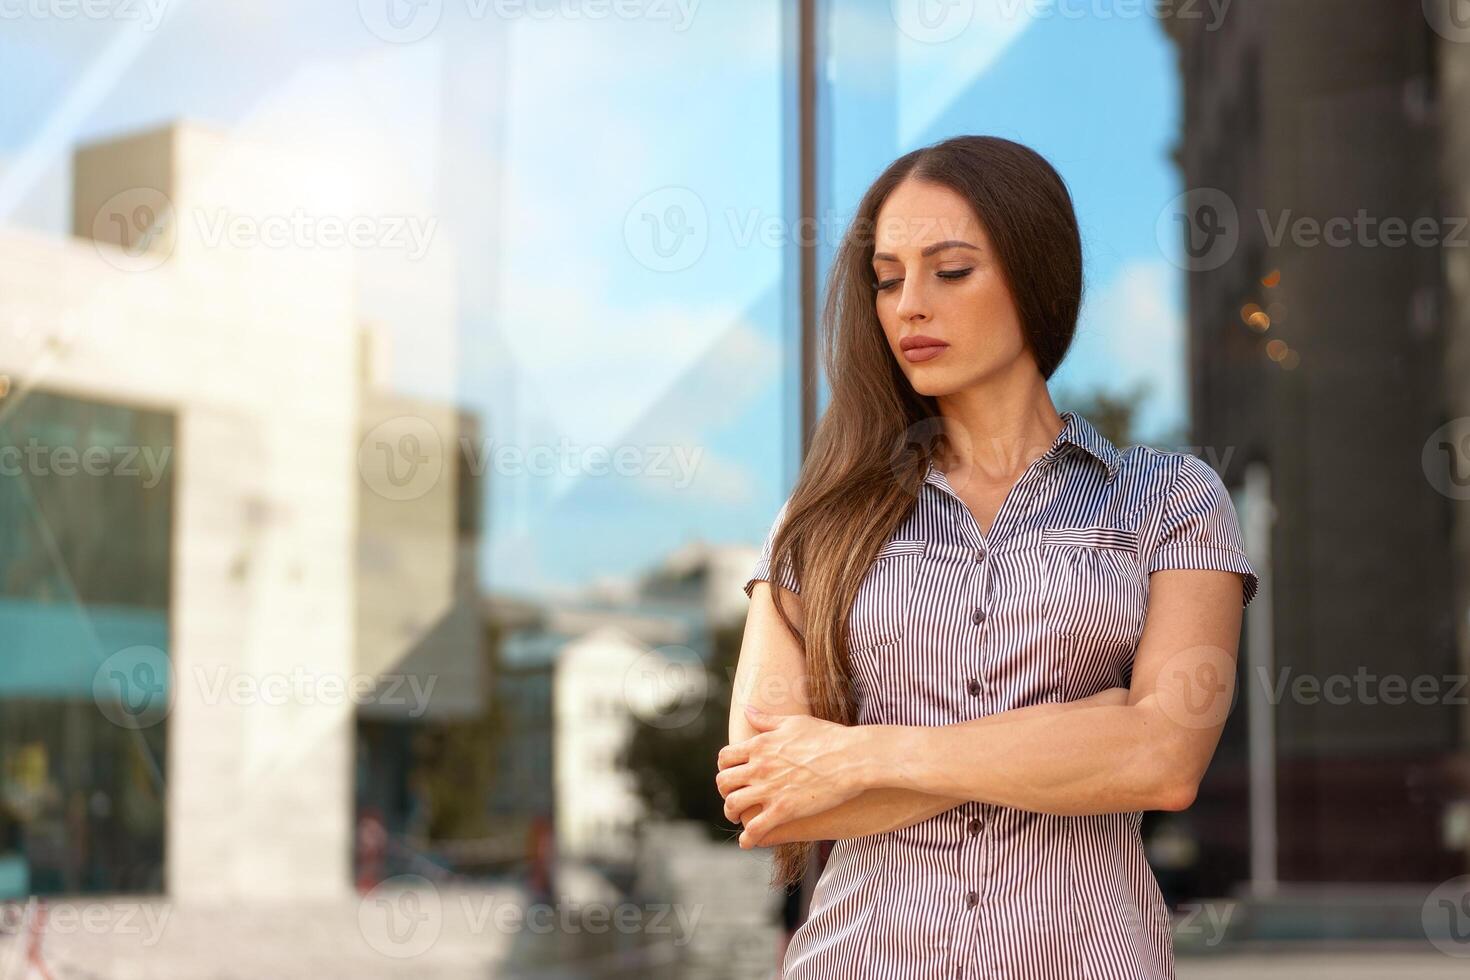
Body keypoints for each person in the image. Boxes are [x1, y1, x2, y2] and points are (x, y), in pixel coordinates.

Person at [715, 134, 1258, 979]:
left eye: (951, 270)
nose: (909, 307)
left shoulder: (1172, 501)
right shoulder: (818, 524)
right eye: (888, 279)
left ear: (1034, 275)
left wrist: (863, 756)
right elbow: (768, 794)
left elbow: (1163, 759)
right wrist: (1082, 736)